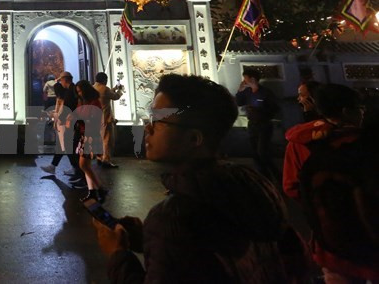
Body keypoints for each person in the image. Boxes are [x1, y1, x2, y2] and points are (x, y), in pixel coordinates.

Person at [93, 74, 307, 283]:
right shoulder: (251, 189)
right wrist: (149, 239)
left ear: (194, 138)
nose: (148, 128)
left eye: (159, 121)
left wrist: (118, 255)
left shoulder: (173, 217)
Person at [282, 84, 378, 282]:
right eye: (360, 109)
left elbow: (290, 185)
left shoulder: (300, 141)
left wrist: (320, 207)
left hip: (330, 242)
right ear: (346, 111)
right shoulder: (366, 141)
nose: (363, 114)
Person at [235, 67, 280, 181]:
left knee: (262, 152)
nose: (244, 81)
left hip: (264, 125)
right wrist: (239, 91)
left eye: (246, 79)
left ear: (253, 79)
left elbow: (275, 108)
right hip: (252, 125)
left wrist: (261, 111)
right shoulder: (247, 92)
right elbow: (239, 103)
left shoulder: (265, 93)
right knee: (255, 153)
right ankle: (265, 177)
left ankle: (277, 176)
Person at [41, 71, 80, 176]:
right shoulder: (70, 90)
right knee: (63, 146)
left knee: (66, 146)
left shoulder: (71, 91)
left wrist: (56, 116)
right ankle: (54, 166)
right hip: (67, 122)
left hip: (68, 123)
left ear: (65, 79)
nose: (60, 82)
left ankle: (77, 170)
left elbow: (68, 109)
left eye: (61, 79)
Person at [95, 72, 123, 168]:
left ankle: (99, 157)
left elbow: (106, 94)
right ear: (104, 80)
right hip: (105, 118)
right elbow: (115, 97)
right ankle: (106, 160)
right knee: (107, 139)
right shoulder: (105, 89)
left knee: (99, 139)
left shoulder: (93, 87)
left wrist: (114, 88)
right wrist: (120, 91)